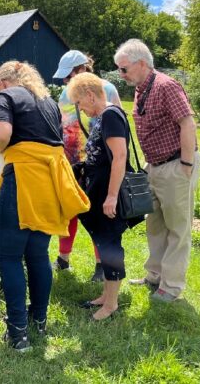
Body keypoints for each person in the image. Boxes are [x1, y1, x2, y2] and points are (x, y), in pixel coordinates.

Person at [0, 61, 89, 351]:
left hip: (22, 181)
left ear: (6, 81)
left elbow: (2, 134)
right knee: (38, 255)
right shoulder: (48, 103)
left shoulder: (6, 97)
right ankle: (40, 321)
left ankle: (18, 333)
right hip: (48, 184)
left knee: (9, 258)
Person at [113, 39, 200, 303]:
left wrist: (185, 164)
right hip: (156, 166)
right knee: (155, 224)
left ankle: (171, 287)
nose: (121, 74)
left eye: (124, 69)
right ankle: (154, 275)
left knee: (177, 228)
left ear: (142, 64)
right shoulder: (142, 88)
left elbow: (187, 124)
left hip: (176, 164)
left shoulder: (166, 86)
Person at [52, 50, 121, 281]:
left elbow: (118, 124)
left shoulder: (107, 88)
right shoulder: (64, 93)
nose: (65, 81)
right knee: (69, 210)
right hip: (71, 162)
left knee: (96, 213)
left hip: (98, 165)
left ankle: (101, 265)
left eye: (68, 75)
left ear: (82, 68)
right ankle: (63, 257)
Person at [66, 72, 132, 320]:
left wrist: (112, 196)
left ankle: (112, 304)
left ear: (90, 96)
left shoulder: (111, 116)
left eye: (81, 104)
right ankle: (106, 294)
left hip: (108, 192)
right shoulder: (104, 117)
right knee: (104, 243)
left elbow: (120, 158)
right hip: (100, 190)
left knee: (110, 244)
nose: (82, 110)